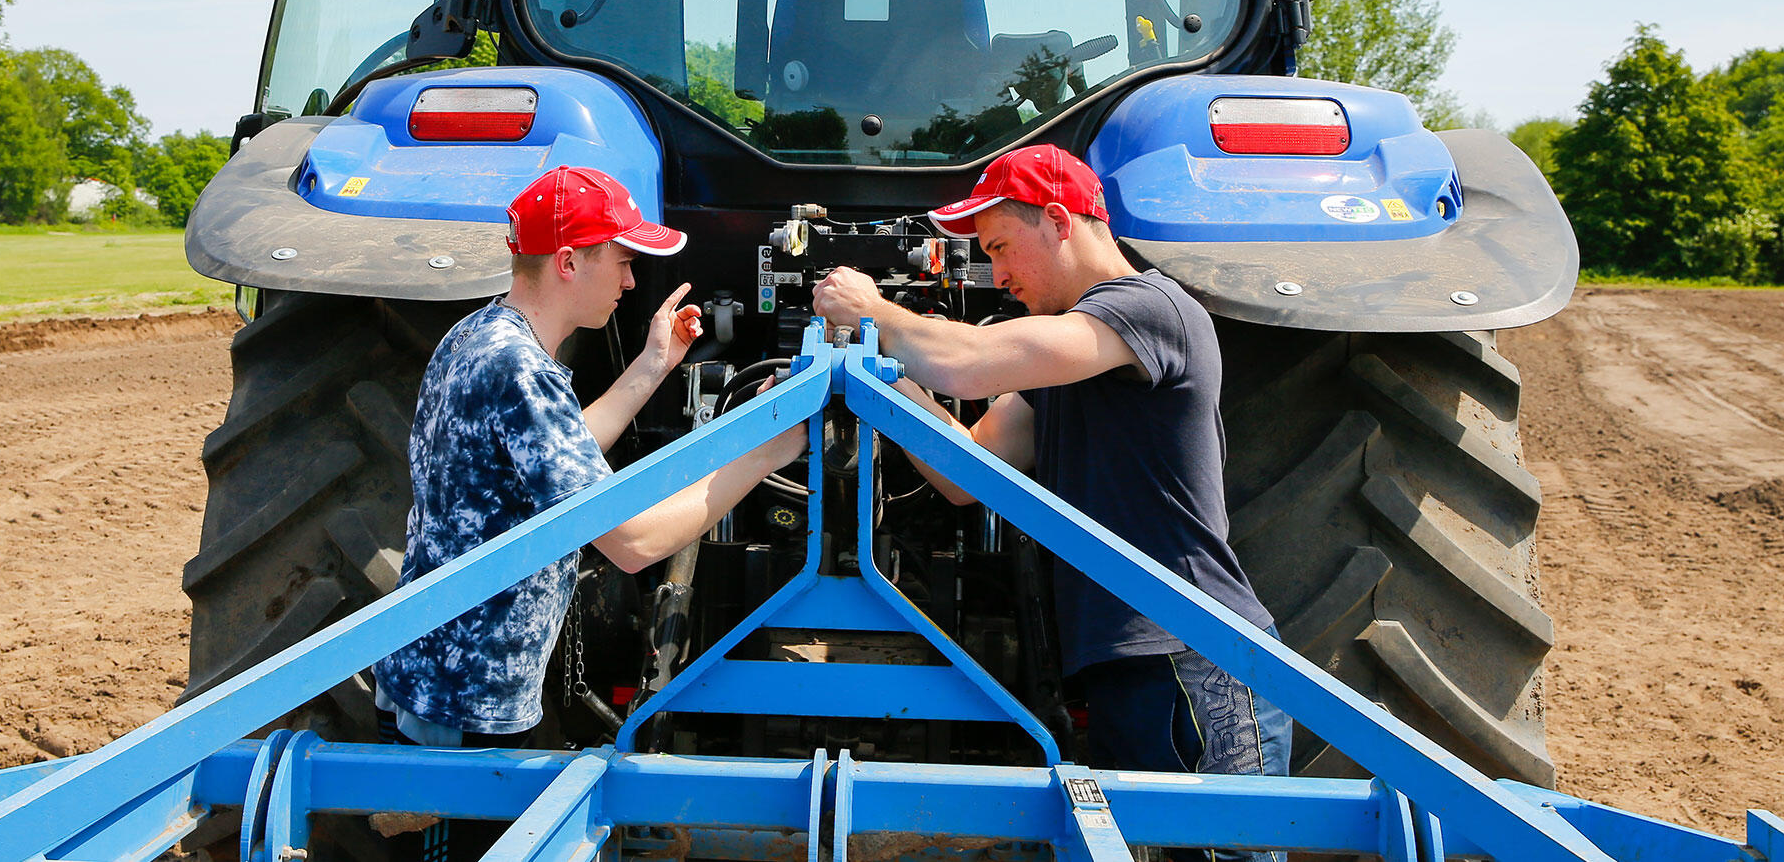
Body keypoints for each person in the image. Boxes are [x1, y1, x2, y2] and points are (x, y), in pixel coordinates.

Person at [811, 144, 1291, 847]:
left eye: (1002, 247)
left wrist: (874, 309)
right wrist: (876, 375)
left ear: (1060, 220)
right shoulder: (1073, 365)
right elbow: (965, 471)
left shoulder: (1149, 310)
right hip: (1124, 666)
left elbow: (965, 363)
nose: (998, 275)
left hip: (1196, 657)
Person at [373, 164, 808, 768]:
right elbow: (632, 543)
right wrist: (769, 450)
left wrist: (656, 362)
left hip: (435, 676)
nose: (632, 282)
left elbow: (563, 453)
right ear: (570, 262)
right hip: (464, 705)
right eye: (623, 260)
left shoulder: (480, 336)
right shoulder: (521, 370)